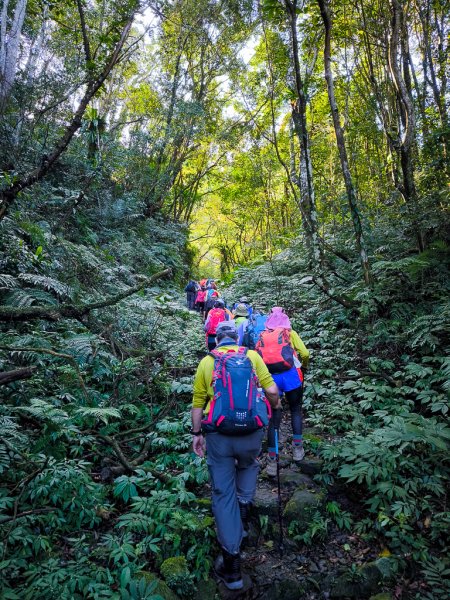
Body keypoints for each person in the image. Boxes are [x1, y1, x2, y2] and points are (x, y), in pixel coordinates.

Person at [191, 321, 280, 590]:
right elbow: (272, 391)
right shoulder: (252, 356)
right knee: (249, 464)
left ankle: (232, 566)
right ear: (238, 339)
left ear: (217, 340)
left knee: (222, 493)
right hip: (251, 434)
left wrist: (197, 433)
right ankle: (242, 517)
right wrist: (274, 408)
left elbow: (198, 402)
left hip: (219, 437)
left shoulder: (207, 362)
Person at [256, 307, 310, 475]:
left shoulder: (263, 335)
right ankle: (297, 450)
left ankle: (272, 461)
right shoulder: (289, 333)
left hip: (271, 379)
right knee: (295, 410)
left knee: (274, 419)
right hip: (291, 376)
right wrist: (304, 366)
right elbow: (305, 353)